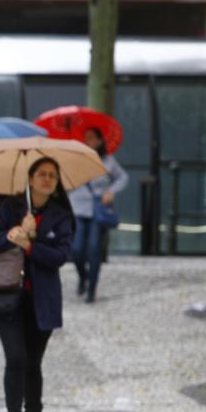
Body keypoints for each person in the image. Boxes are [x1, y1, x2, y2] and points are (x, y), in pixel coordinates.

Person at [0, 157, 74, 412]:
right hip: (7, 297)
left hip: (42, 299)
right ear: (31, 178)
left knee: (33, 363)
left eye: (52, 175)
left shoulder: (60, 216)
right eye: (41, 174)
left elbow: (60, 256)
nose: (47, 179)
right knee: (16, 358)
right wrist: (14, 235)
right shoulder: (10, 207)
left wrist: (31, 245)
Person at [68, 127, 128, 303]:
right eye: (86, 138)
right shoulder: (75, 159)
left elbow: (123, 177)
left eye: (92, 138)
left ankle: (92, 289)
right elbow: (65, 182)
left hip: (98, 210)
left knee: (94, 249)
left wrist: (110, 191)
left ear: (100, 141)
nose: (89, 141)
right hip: (78, 208)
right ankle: (83, 276)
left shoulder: (108, 161)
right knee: (76, 249)